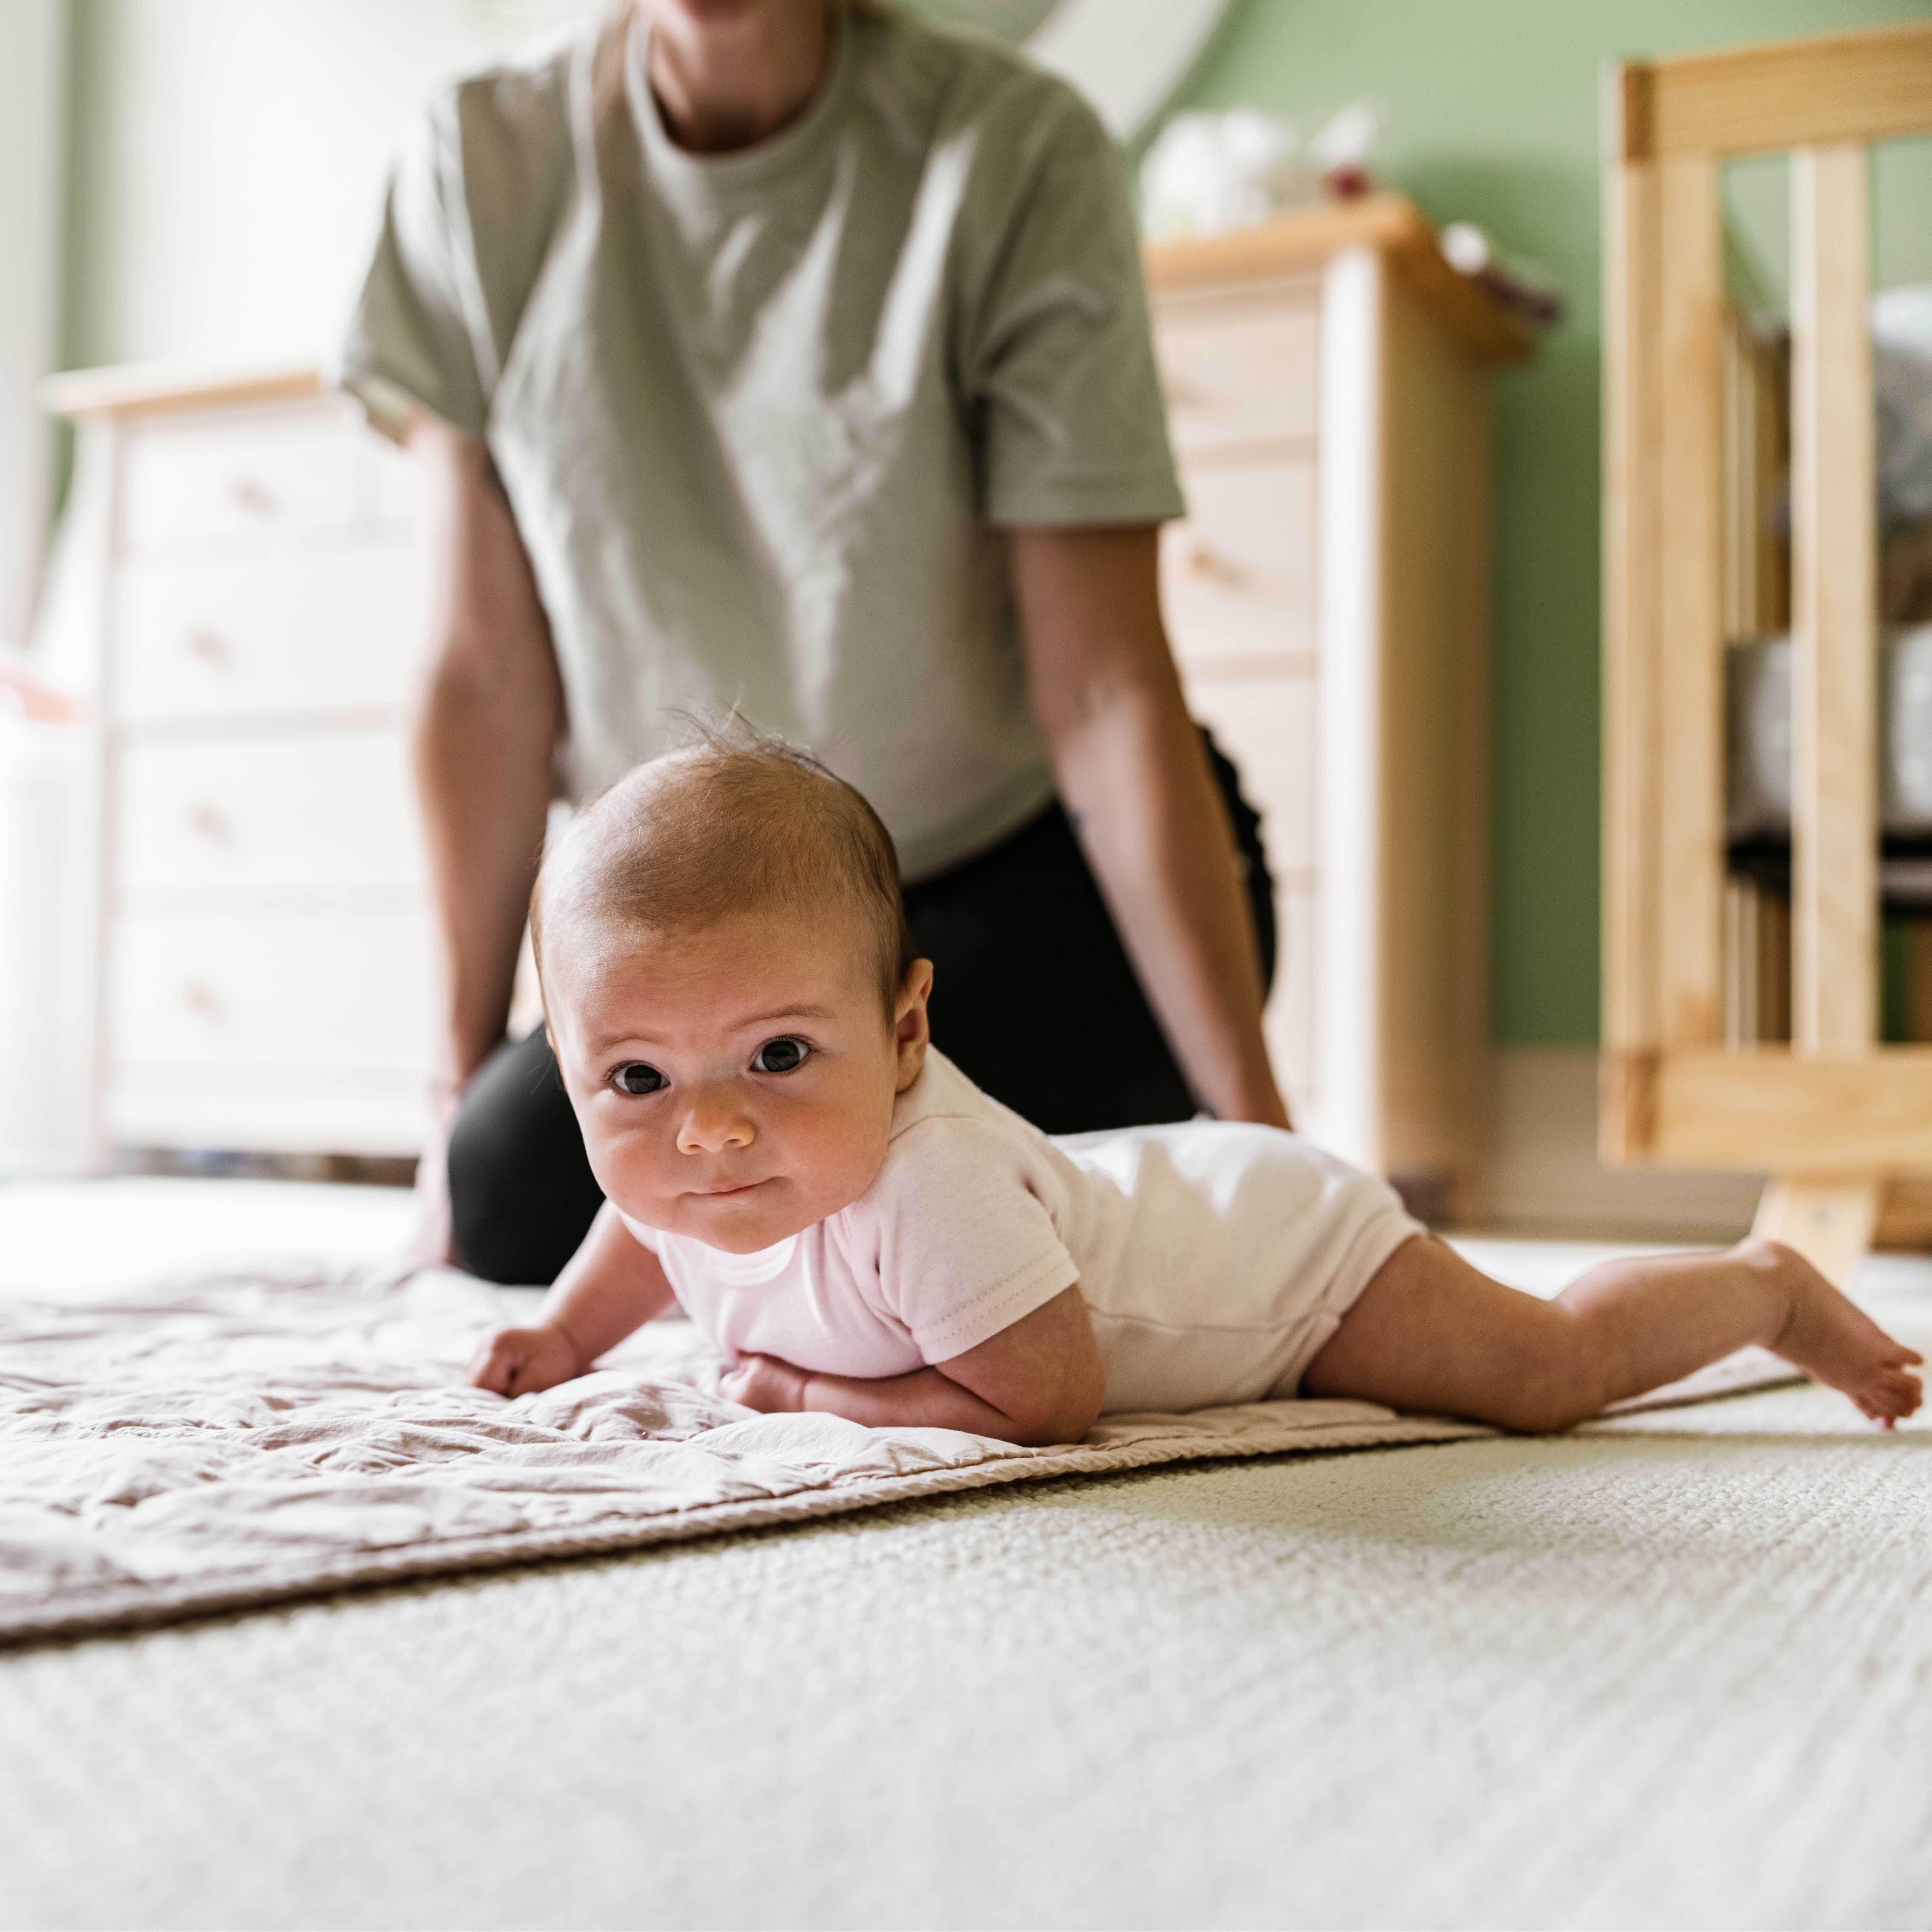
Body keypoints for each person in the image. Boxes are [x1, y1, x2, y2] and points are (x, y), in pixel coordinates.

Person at [338, 0, 1287, 1287]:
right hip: (710, 922)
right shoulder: (477, 159)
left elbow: (1105, 687)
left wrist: (1260, 1141)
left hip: (1015, 883)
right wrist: (452, 1092)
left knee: (932, 1199)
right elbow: (488, 676)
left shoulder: (1016, 149)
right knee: (509, 1192)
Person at [469, 741, 1926, 1442]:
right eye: (637, 1078)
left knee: (1536, 1378)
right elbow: (639, 1233)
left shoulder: (927, 1183)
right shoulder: (691, 1171)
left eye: (779, 1055)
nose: (708, 1130)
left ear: (907, 1028)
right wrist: (560, 1329)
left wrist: (805, 1387)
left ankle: (1761, 1287)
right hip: (1155, 1187)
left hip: (1284, 1262)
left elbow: (1044, 1397)